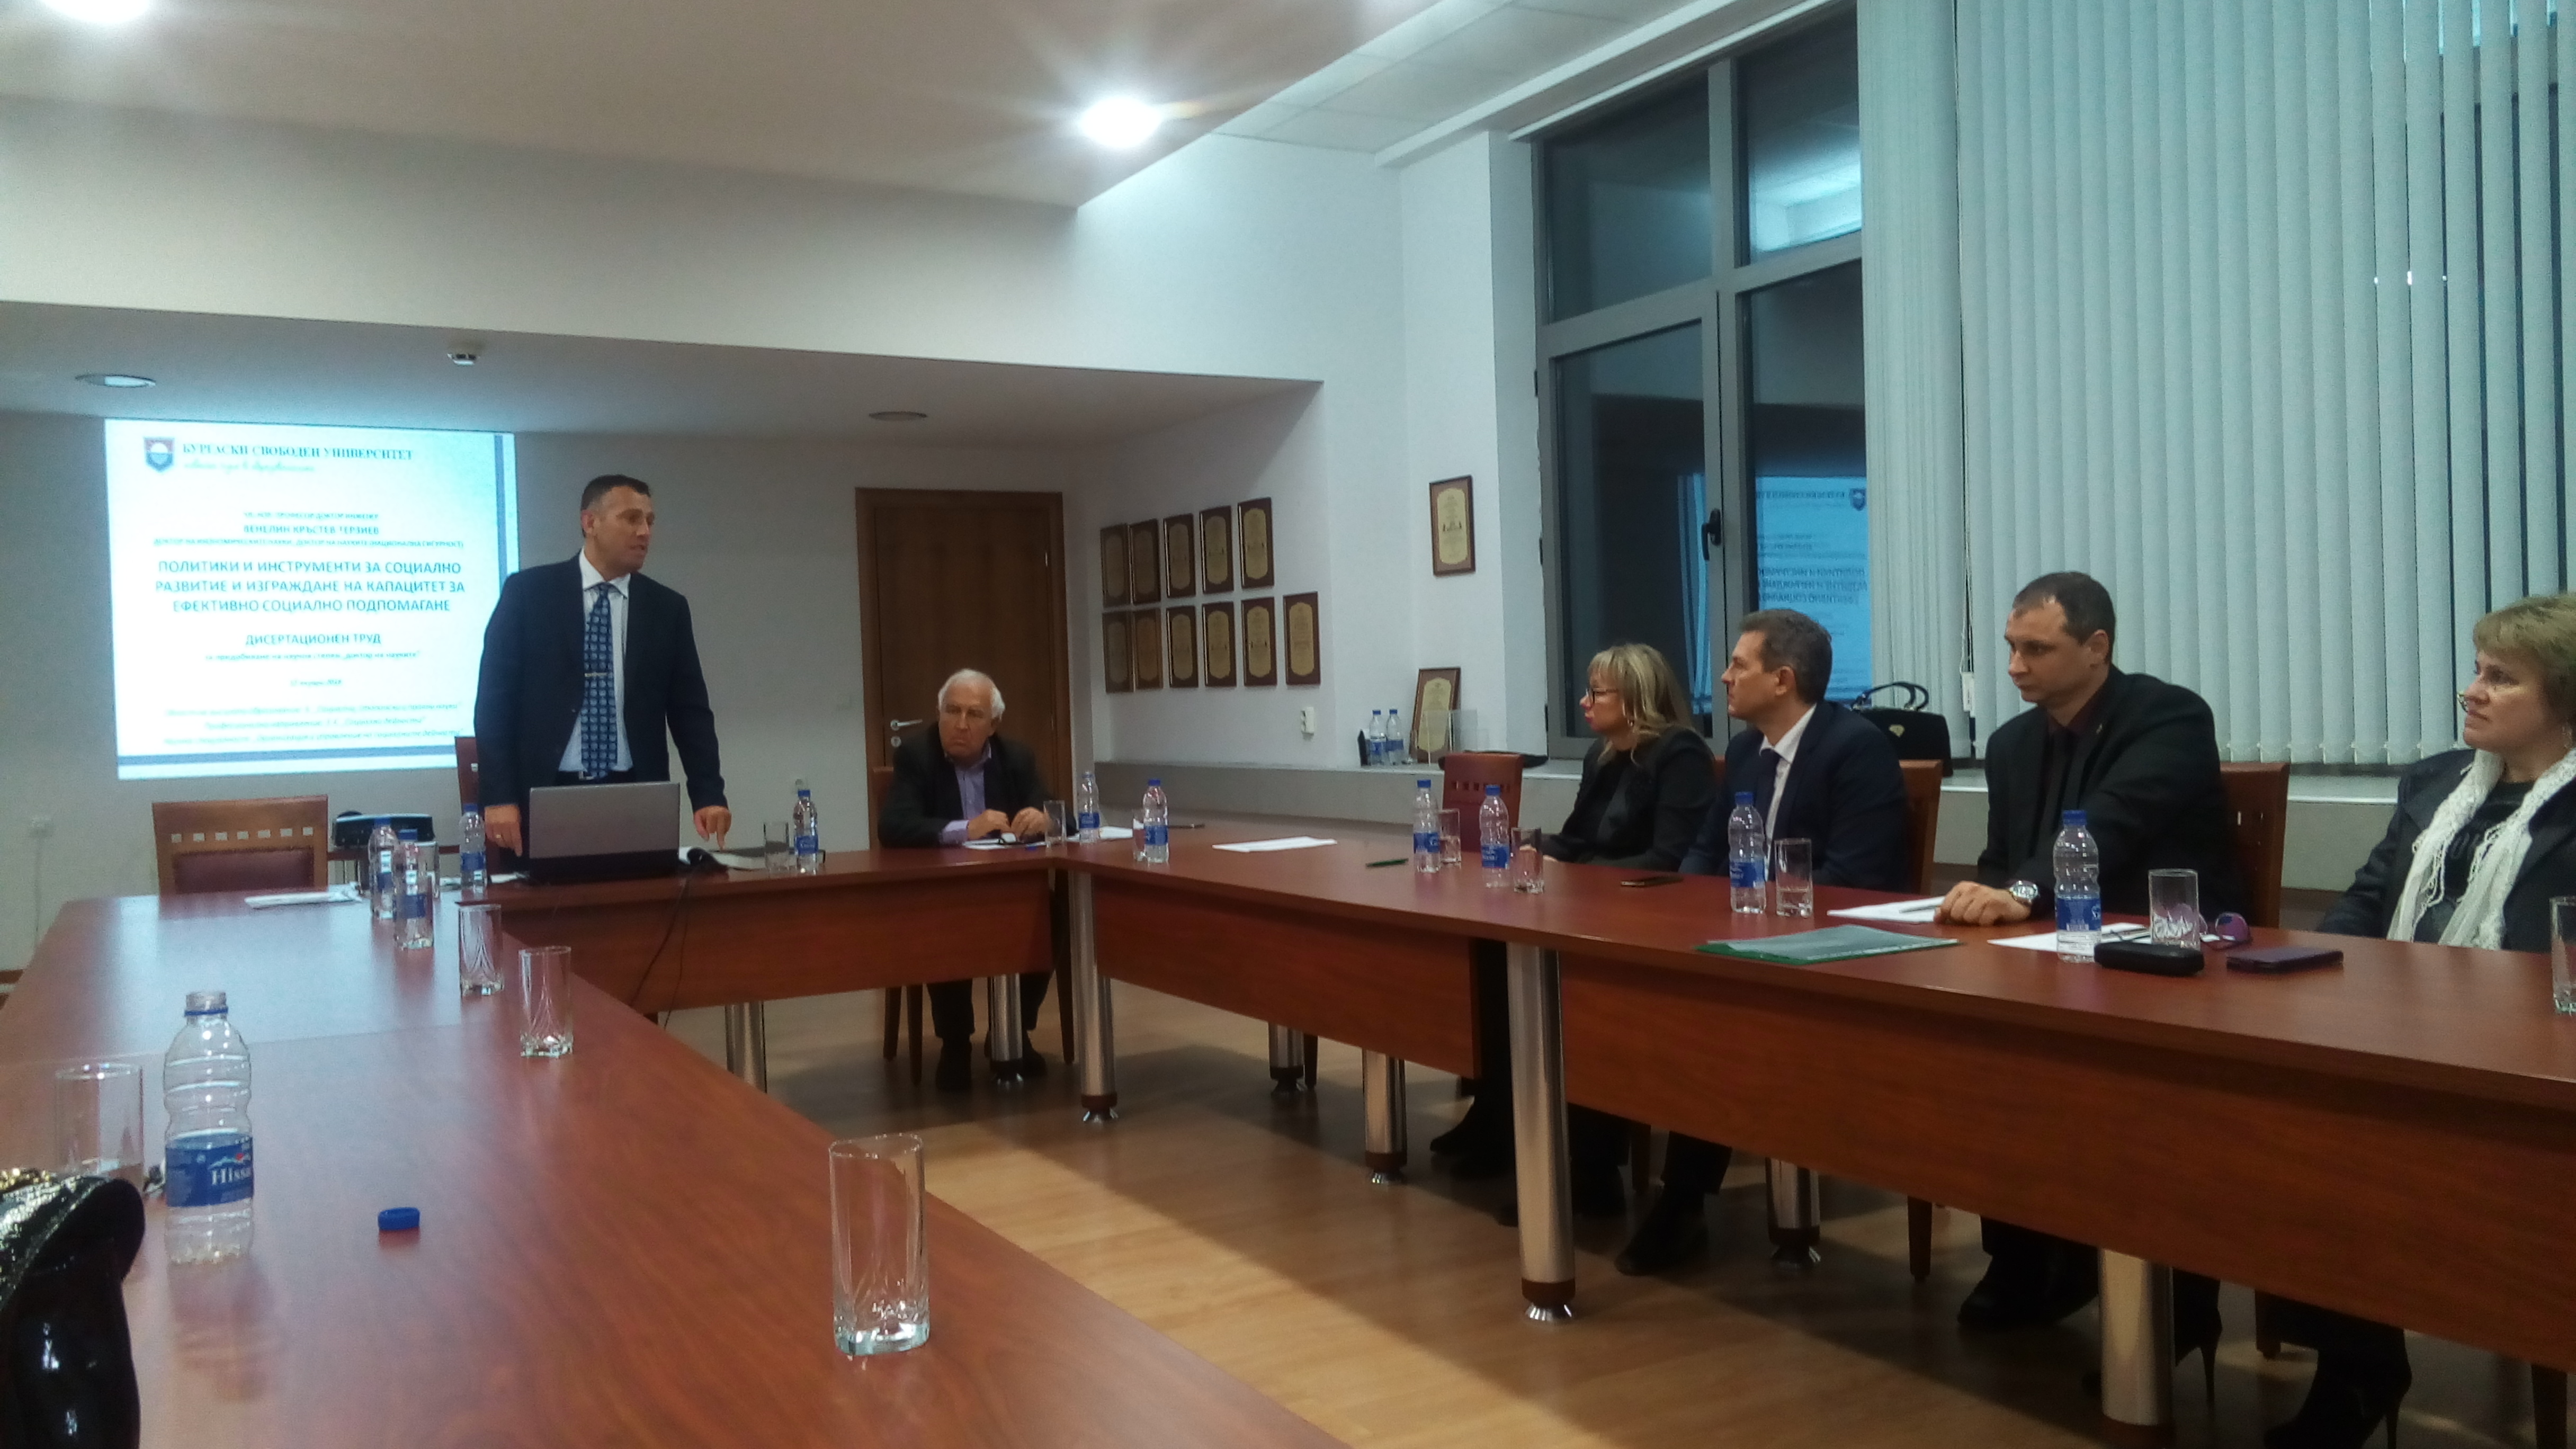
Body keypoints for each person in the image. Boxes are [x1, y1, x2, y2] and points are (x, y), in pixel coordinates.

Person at [2264, 593, 2576, 1449]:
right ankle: (2355, 1358)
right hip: (2401, 1029)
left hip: (2525, 1056)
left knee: (2357, 1147)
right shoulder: (2436, 781)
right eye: (2476, 670)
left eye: (2500, 678)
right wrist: (2317, 976)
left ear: (2563, 699)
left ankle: (2359, 1366)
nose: (2471, 690)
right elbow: (2368, 898)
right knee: (2275, 1121)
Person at [1935, 571, 2238, 1354]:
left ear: (2097, 647)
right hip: (2046, 964)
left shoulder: (2168, 716)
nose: (2015, 666)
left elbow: (2110, 825)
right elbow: (2002, 859)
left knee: (2126, 1093)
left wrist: (2018, 892)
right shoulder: (2011, 744)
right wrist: (1978, 902)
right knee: (1980, 1054)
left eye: (2037, 649)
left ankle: (2172, 1297)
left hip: (2161, 968)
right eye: (2011, 647)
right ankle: (2027, 1258)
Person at [1618, 609, 1910, 1274]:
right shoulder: (1748, 750)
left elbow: (1854, 877)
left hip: (1838, 953)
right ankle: (1591, 1171)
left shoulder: (1856, 748)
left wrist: (1750, 913)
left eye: (1738, 665)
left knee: (1711, 1020)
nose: (1723, 677)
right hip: (1748, 941)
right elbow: (1705, 851)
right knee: (1631, 994)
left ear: (1782, 680)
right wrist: (1687, 910)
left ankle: (1682, 1204)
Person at [1432, 643, 1714, 1218]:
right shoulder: (1602, 754)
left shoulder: (1679, 753)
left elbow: (1669, 857)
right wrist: (1534, 852)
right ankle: (1498, 1113)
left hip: (1650, 915)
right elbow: (1578, 837)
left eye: (1597, 692)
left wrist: (1577, 874)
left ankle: (1589, 1170)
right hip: (1595, 907)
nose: (1584, 702)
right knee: (1493, 956)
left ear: (1634, 698)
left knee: (1578, 992)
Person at [473, 474, 729, 858]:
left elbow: (690, 711)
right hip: (546, 793)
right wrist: (498, 797)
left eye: (650, 521)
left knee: (643, 894)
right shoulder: (529, 594)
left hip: (636, 793)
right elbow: (495, 701)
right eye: (631, 519)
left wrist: (708, 794)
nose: (644, 532)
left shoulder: (666, 608)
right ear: (590, 522)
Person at [876, 669, 1055, 1092]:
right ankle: (955, 1043)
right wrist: (964, 829)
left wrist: (1045, 820)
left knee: (1053, 914)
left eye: (974, 714)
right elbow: (894, 825)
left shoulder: (1017, 758)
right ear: (938, 714)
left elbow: (1056, 815)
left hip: (1008, 892)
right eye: (951, 711)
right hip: (943, 891)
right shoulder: (917, 756)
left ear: (994, 724)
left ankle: (1013, 1030)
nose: (960, 724)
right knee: (944, 921)